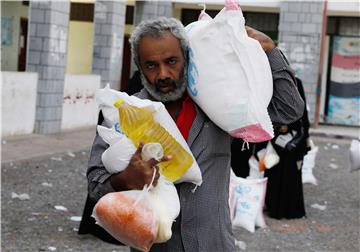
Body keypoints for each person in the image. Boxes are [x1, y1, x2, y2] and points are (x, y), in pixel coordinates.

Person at [79, 17, 304, 251]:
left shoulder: (216, 107)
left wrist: (272, 52)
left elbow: (288, 110)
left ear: (186, 58)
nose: (163, 74)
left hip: (215, 244)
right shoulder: (125, 113)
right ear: (139, 65)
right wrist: (125, 179)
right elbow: (95, 185)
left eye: (171, 61)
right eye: (151, 65)